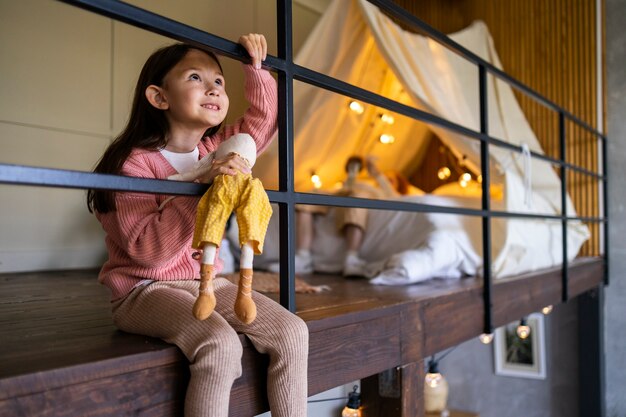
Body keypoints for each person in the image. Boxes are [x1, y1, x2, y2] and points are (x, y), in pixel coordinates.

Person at [87, 34, 308, 417]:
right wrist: (200, 187)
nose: (213, 88)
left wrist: (254, 69)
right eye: (195, 78)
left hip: (204, 282)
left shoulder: (211, 151)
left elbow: (261, 124)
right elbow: (148, 254)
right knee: (221, 344)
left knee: (292, 332)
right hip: (143, 289)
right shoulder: (134, 163)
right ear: (159, 97)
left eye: (219, 82)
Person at [269, 155, 419, 277]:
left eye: (390, 179)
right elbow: (347, 186)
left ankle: (351, 258)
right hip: (342, 192)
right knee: (306, 198)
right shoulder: (366, 183)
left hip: (357, 195)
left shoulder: (384, 191)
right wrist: (352, 175)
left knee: (356, 198)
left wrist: (378, 175)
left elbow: (395, 197)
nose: (384, 180)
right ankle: (303, 257)